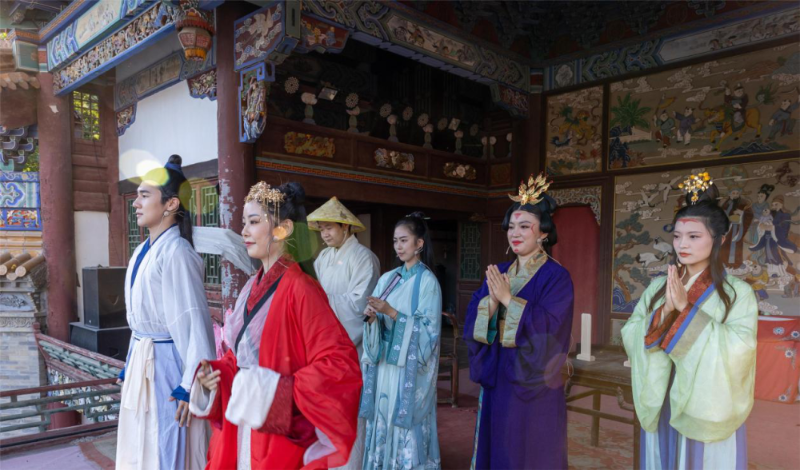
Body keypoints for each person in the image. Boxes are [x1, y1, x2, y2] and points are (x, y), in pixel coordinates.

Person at [189, 182, 362, 469]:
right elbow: (240, 357)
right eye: (244, 223)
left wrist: (275, 391)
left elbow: (339, 364)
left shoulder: (301, 288)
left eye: (254, 222)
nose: (244, 231)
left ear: (283, 229)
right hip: (245, 421)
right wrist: (217, 375)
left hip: (276, 429)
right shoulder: (250, 286)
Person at [622, 172, 758, 469]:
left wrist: (686, 311)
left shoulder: (738, 293)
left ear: (720, 239)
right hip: (661, 390)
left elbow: (740, 350)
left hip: (704, 398)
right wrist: (663, 313)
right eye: (677, 236)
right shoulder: (657, 288)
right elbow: (631, 330)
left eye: (694, 236)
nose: (682, 244)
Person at [464, 173, 575, 470]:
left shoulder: (556, 277)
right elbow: (473, 316)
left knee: (530, 448)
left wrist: (508, 299)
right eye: (512, 226)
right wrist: (491, 302)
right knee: (499, 442)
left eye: (525, 226)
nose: (515, 233)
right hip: (498, 372)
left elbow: (552, 327)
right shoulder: (500, 271)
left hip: (532, 380)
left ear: (543, 233)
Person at [116, 155, 215, 470]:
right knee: (140, 443)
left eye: (145, 196)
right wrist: (131, 362)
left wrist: (190, 385)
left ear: (171, 204)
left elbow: (195, 323)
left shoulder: (177, 252)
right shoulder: (141, 251)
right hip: (145, 359)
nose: (136, 203)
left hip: (168, 366)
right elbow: (140, 322)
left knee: (167, 445)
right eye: (137, 196)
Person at [360, 212, 442, 469]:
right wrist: (372, 319)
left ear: (419, 243)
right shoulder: (388, 279)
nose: (398, 246)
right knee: (383, 418)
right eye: (396, 241)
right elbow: (377, 321)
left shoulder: (428, 282)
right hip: (385, 364)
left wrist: (391, 312)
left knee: (404, 427)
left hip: (407, 370)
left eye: (404, 240)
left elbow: (429, 333)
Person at [308, 196, 381, 470]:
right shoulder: (323, 257)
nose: (324, 234)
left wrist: (320, 302)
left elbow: (359, 306)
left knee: (350, 412)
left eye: (329, 227)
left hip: (351, 347)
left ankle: (352, 465)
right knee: (325, 411)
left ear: (346, 227)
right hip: (324, 346)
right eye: (322, 229)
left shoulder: (364, 258)